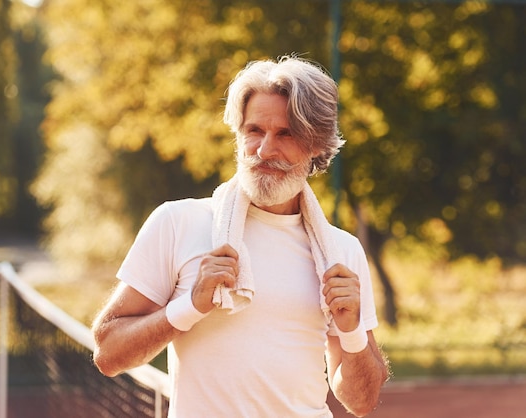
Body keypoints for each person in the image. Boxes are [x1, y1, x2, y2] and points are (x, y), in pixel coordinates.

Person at [92, 56, 390, 418]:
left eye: (286, 134)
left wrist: (353, 332)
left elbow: (361, 401)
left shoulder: (341, 252)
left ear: (316, 146)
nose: (265, 151)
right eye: (254, 131)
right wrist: (190, 306)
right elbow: (108, 353)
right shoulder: (178, 221)